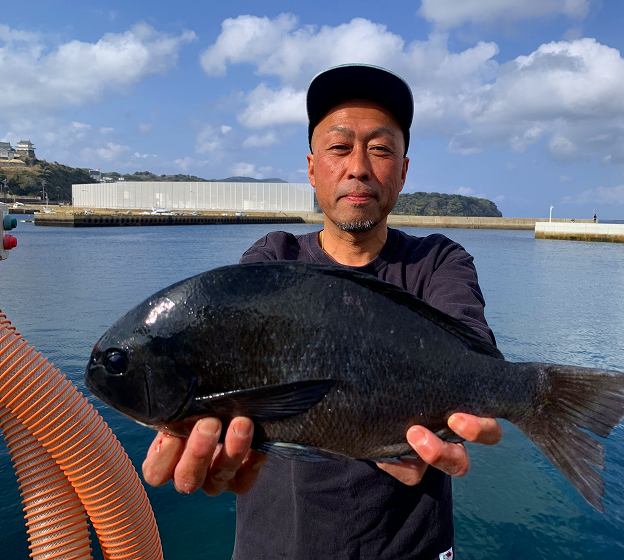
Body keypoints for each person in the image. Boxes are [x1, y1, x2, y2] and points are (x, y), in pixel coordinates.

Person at [142, 64, 502, 559]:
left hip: (412, 548)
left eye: (381, 149)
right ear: (312, 169)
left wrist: (472, 413)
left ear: (403, 171)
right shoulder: (274, 260)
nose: (358, 167)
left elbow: (474, 354)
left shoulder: (438, 262)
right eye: (339, 147)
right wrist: (187, 420)